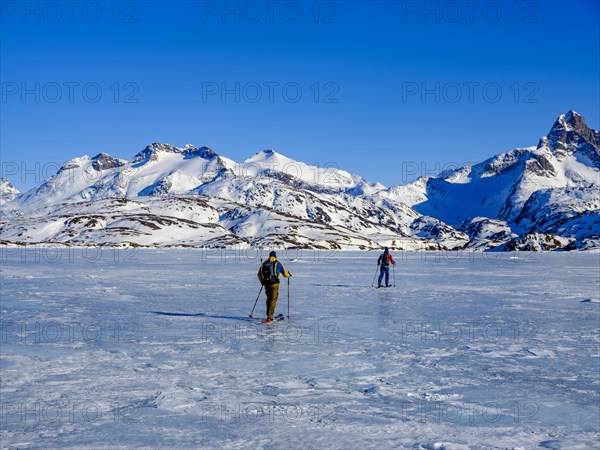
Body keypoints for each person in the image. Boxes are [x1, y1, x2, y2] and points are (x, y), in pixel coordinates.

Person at [257, 251, 291, 322]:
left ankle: (268, 314)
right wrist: (289, 275)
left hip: (266, 284)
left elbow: (259, 274)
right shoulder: (277, 263)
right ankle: (270, 315)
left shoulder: (264, 264)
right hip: (274, 284)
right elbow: (285, 274)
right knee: (273, 299)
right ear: (275, 256)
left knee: (269, 298)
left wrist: (262, 282)